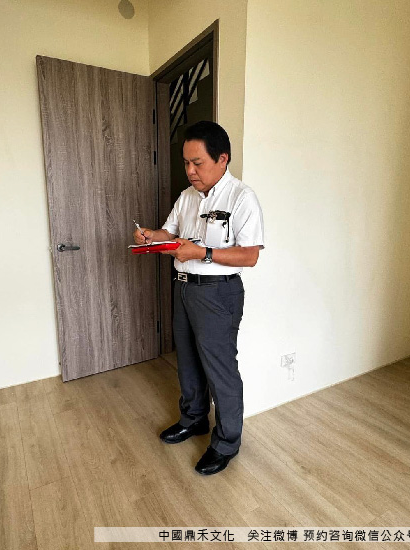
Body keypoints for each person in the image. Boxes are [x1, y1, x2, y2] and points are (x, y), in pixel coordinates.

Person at [133, 121, 265, 475]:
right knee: (188, 360)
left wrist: (202, 253)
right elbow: (170, 232)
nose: (190, 171)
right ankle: (194, 418)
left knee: (220, 369)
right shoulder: (187, 196)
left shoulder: (241, 197)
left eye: (198, 163)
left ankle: (226, 442)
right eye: (186, 163)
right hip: (183, 287)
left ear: (222, 159)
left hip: (218, 293)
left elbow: (250, 255)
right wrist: (151, 236)